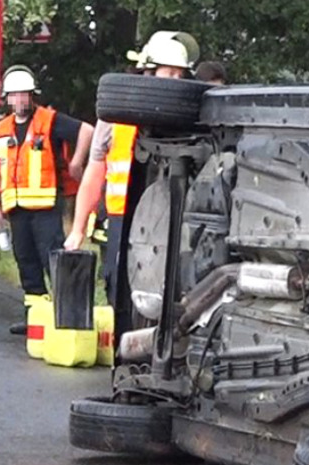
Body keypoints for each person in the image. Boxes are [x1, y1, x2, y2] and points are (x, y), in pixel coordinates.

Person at [64, 31, 199, 308]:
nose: (175, 82)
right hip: (122, 218)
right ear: (148, 72)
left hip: (169, 220)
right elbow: (94, 172)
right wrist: (77, 229)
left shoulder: (187, 120)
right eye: (168, 73)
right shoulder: (115, 116)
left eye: (179, 75)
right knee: (120, 288)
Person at [0, 65, 94, 334]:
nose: (20, 100)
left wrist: (76, 163)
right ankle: (34, 317)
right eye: (15, 95)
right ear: (8, 99)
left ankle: (63, 314)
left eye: (24, 95)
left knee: (52, 260)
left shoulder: (49, 120)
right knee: (26, 261)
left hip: (45, 207)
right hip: (17, 208)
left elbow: (87, 131)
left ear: (31, 95)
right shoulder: (2, 128)